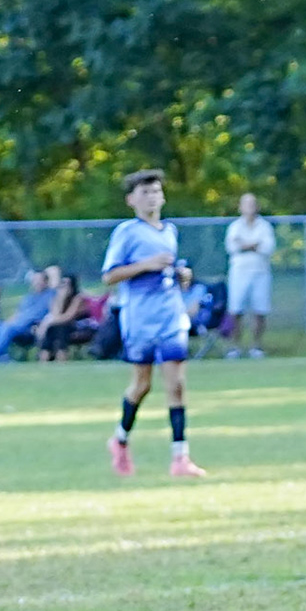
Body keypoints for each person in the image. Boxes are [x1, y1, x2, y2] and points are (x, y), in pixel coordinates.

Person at [102, 168, 207, 477]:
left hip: (170, 316)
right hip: (140, 319)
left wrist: (181, 276)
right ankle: (120, 440)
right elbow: (110, 275)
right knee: (142, 385)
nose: (152, 197)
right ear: (131, 200)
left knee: (176, 384)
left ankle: (180, 458)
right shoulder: (127, 232)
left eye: (156, 191)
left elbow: (168, 272)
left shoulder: (169, 231)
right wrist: (146, 264)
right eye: (145, 192)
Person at [224, 192, 274, 358]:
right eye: (246, 204)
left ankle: (256, 346)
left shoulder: (264, 226)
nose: (249, 208)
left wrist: (244, 244)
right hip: (239, 273)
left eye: (252, 204)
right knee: (235, 310)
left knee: (260, 310)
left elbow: (267, 247)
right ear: (240, 207)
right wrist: (254, 245)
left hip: (260, 272)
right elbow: (232, 247)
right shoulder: (235, 227)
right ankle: (234, 347)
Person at [0, 269, 54, 363]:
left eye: (39, 280)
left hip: (30, 329)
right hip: (16, 325)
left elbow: (52, 314)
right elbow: (18, 314)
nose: (36, 282)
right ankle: (2, 357)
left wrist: (42, 325)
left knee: (8, 328)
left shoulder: (51, 295)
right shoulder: (29, 297)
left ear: (46, 281)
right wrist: (8, 321)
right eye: (34, 280)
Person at [36, 274, 86, 363]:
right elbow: (55, 314)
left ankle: (61, 358)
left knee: (60, 329)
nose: (64, 287)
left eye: (67, 284)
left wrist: (47, 323)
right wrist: (61, 299)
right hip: (57, 326)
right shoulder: (56, 298)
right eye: (62, 284)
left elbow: (68, 317)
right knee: (52, 329)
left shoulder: (78, 298)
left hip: (75, 325)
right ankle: (45, 359)